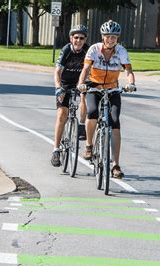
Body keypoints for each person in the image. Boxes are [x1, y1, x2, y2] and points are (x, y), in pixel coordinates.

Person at [77, 20, 136, 179]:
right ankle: (89, 145)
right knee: (92, 112)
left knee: (115, 122)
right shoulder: (94, 49)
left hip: (112, 88)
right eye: (108, 36)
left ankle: (116, 165)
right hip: (94, 87)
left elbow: (129, 71)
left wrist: (131, 83)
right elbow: (86, 69)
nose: (111, 40)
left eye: (114, 37)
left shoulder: (121, 51)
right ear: (103, 37)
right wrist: (81, 84)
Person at [50, 24, 89, 167]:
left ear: (85, 39)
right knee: (62, 114)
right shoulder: (66, 50)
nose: (78, 41)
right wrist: (58, 88)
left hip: (81, 82)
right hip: (65, 83)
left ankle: (81, 125)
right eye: (76, 37)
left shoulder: (87, 50)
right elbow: (57, 72)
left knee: (85, 95)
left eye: (81, 38)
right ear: (71, 38)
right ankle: (56, 150)